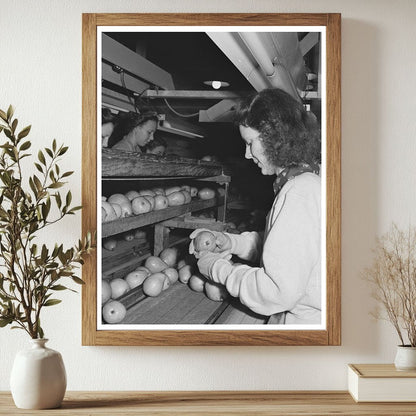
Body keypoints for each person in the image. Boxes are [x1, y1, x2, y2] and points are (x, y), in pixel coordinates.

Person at [189, 88, 322, 325]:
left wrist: (218, 268)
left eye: (250, 143)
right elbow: (286, 250)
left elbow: (277, 291)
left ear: (275, 139)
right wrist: (233, 242)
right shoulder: (307, 179)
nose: (247, 154)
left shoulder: (299, 192)